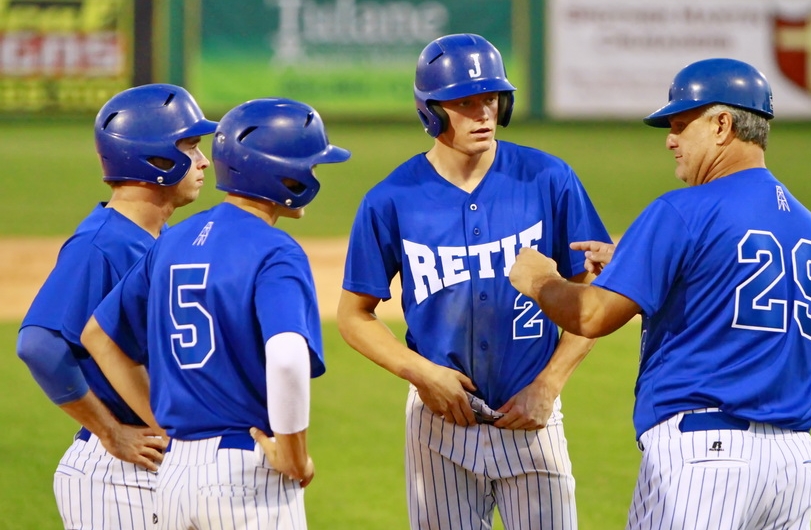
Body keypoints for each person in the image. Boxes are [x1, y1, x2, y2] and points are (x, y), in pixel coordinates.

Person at [509, 58, 811, 530]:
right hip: (793, 466)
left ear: (723, 124)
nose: (670, 139)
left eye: (682, 124)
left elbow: (593, 316)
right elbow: (727, 292)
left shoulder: (682, 210)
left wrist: (540, 281)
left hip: (705, 457)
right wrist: (639, 263)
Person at [337, 33, 611, 530]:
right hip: (437, 424)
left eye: (490, 99)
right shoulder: (392, 199)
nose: (483, 113)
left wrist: (549, 386)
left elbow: (591, 299)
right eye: (465, 103)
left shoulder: (549, 179)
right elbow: (354, 315)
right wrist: (420, 372)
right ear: (432, 111)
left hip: (533, 419)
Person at [80, 97, 351, 529]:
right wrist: (295, 455)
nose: (315, 174)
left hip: (173, 478)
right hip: (246, 477)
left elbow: (98, 334)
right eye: (310, 165)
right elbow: (286, 356)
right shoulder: (276, 251)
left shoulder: (172, 241)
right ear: (283, 172)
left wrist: (160, 421)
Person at [16, 83, 216, 529]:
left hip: (157, 464)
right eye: (191, 146)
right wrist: (111, 431)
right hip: (118, 474)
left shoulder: (157, 239)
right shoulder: (101, 243)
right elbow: (39, 344)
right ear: (157, 159)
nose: (203, 162)